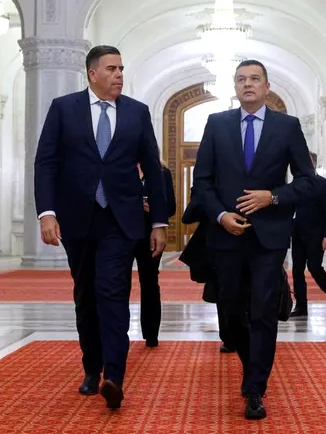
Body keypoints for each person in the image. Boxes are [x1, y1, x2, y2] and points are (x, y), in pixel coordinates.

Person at [33, 45, 169, 410]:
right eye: (111, 69)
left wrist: (159, 221)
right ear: (92, 73)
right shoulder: (64, 108)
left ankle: (115, 376)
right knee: (86, 295)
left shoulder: (137, 112)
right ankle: (92, 368)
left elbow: (152, 169)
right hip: (77, 217)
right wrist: (46, 212)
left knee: (113, 292)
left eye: (121, 68)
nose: (119, 74)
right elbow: (46, 162)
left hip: (121, 219)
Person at [192, 59, 316, 421]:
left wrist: (272, 197)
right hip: (226, 234)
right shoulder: (217, 124)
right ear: (235, 86)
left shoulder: (287, 126)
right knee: (231, 311)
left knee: (262, 309)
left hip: (269, 237)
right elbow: (202, 181)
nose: (247, 84)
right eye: (241, 79)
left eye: (254, 79)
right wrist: (220, 215)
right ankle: (252, 368)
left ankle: (255, 387)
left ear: (266, 86)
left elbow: (307, 181)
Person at [178, 191, 233, 352]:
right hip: (216, 246)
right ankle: (230, 337)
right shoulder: (207, 188)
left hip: (241, 242)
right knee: (223, 291)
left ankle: (234, 337)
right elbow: (189, 215)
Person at [290, 153, 326, 317]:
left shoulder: (324, 185)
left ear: (314, 164)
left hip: (316, 235)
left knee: (314, 267)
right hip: (297, 234)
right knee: (297, 270)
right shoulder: (295, 184)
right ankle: (301, 306)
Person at [135, 161, 176, 347]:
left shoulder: (161, 172)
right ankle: (118, 333)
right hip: (122, 232)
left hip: (151, 233)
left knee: (149, 280)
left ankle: (151, 334)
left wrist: (154, 208)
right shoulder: (120, 165)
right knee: (118, 282)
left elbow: (171, 206)